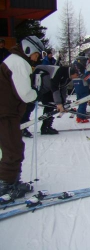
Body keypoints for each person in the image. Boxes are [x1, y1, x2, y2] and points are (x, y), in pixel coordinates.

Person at [0, 36, 43, 199]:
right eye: (36, 54)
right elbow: (25, 94)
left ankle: (9, 180)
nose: (36, 58)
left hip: (6, 111)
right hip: (5, 112)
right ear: (28, 49)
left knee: (11, 146)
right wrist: (36, 92)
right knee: (13, 148)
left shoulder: (14, 60)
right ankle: (6, 183)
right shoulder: (19, 62)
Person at [30, 65, 80, 134]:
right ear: (73, 73)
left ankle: (45, 127)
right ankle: (23, 126)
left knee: (50, 105)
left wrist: (63, 103)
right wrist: (59, 103)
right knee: (30, 105)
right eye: (77, 75)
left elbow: (63, 89)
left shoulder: (68, 77)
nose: (77, 77)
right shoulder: (59, 71)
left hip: (48, 88)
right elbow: (55, 88)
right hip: (38, 83)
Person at [72, 54, 90, 123]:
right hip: (82, 85)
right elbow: (88, 77)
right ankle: (80, 117)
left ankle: (81, 114)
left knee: (80, 100)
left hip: (76, 83)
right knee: (83, 100)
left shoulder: (75, 68)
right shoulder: (83, 69)